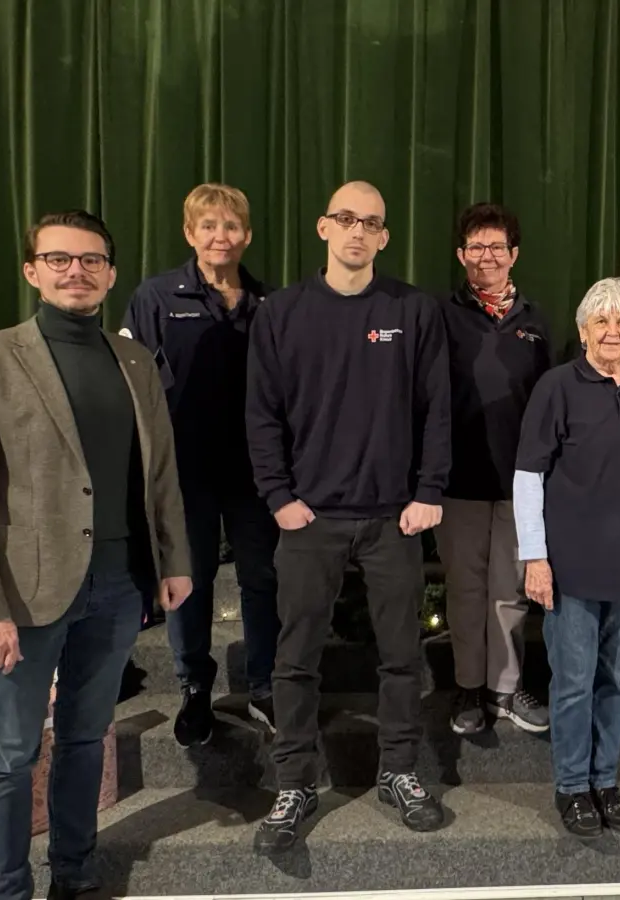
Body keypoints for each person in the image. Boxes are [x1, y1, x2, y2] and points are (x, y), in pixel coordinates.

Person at [0, 210, 193, 900]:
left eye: (91, 260)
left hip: (117, 585)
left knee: (86, 739)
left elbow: (159, 472)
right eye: (58, 259)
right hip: (20, 598)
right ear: (32, 271)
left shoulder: (135, 361)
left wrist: (174, 558)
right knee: (9, 755)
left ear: (110, 273)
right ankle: (7, 891)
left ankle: (74, 877)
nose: (75, 271)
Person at [248, 181, 451, 850]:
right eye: (346, 219)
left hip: (396, 519)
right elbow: (262, 415)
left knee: (401, 654)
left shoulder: (414, 312)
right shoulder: (281, 313)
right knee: (296, 658)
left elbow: (436, 411)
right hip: (311, 520)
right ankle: (295, 781)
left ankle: (398, 770)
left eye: (371, 221)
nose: (358, 231)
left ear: (385, 236)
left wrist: (428, 491)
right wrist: (279, 497)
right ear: (323, 227)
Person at [120, 183, 281, 745]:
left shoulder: (268, 302)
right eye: (208, 226)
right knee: (191, 582)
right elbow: (131, 384)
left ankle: (264, 687)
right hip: (183, 472)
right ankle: (195, 689)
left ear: (247, 235)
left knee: (264, 578)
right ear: (190, 234)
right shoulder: (156, 297)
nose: (221, 236)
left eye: (232, 226)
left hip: (256, 473)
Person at [514, 277, 620, 838]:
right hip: (570, 568)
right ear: (581, 332)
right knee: (573, 682)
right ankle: (573, 787)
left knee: (616, 683)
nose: (612, 331)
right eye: (601, 321)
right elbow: (529, 476)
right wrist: (535, 558)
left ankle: (605, 781)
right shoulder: (557, 387)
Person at [437, 202, 553, 736]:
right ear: (461, 255)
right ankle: (467, 688)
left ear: (515, 255)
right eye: (476, 247)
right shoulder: (440, 316)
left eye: (497, 247)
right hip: (458, 481)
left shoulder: (536, 321)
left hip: (520, 484)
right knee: (464, 589)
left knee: (510, 589)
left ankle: (505, 689)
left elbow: (551, 404)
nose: (487, 257)